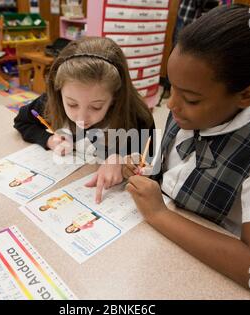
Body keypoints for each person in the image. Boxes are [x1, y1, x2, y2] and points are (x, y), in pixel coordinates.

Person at [123, 5, 250, 292]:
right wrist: (147, 172)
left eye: (191, 99)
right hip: (154, 255)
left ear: (247, 95)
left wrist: (159, 214)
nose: (171, 105)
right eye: (171, 88)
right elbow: (172, 174)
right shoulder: (185, 115)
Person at [14, 37, 155, 203]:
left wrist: (122, 161)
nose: (81, 119)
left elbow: (149, 164)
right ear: (59, 91)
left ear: (115, 98)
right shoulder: (51, 104)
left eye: (96, 107)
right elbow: (22, 121)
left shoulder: (137, 118)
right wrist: (48, 139)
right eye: (72, 104)